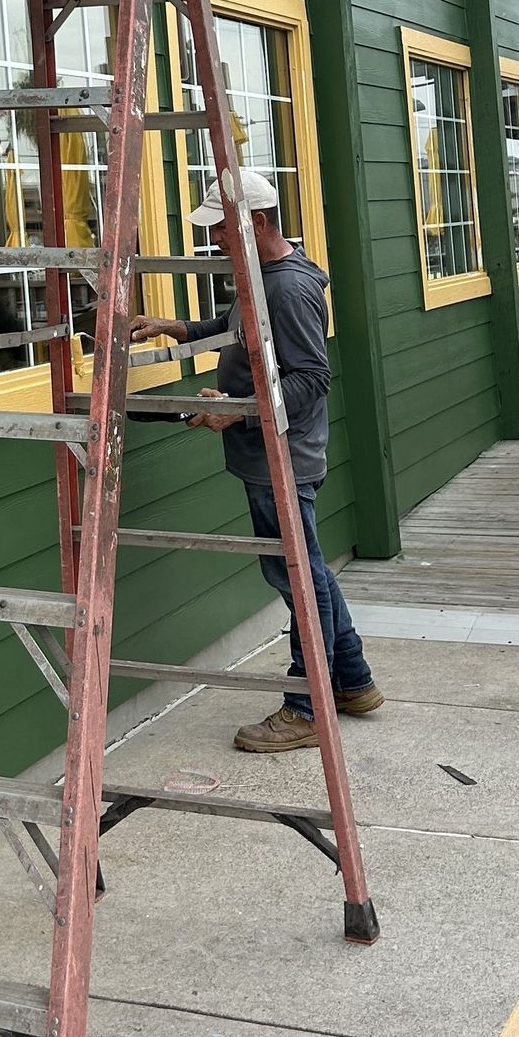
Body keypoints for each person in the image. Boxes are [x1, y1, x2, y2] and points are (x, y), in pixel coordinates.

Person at [131, 168, 383, 754]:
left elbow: (312, 378)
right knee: (308, 570)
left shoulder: (287, 289)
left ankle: (307, 707)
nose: (214, 238)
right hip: (269, 452)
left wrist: (239, 413)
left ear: (258, 221)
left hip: (281, 457)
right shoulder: (263, 276)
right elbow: (237, 331)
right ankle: (352, 682)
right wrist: (175, 327)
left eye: (221, 227)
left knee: (298, 576)